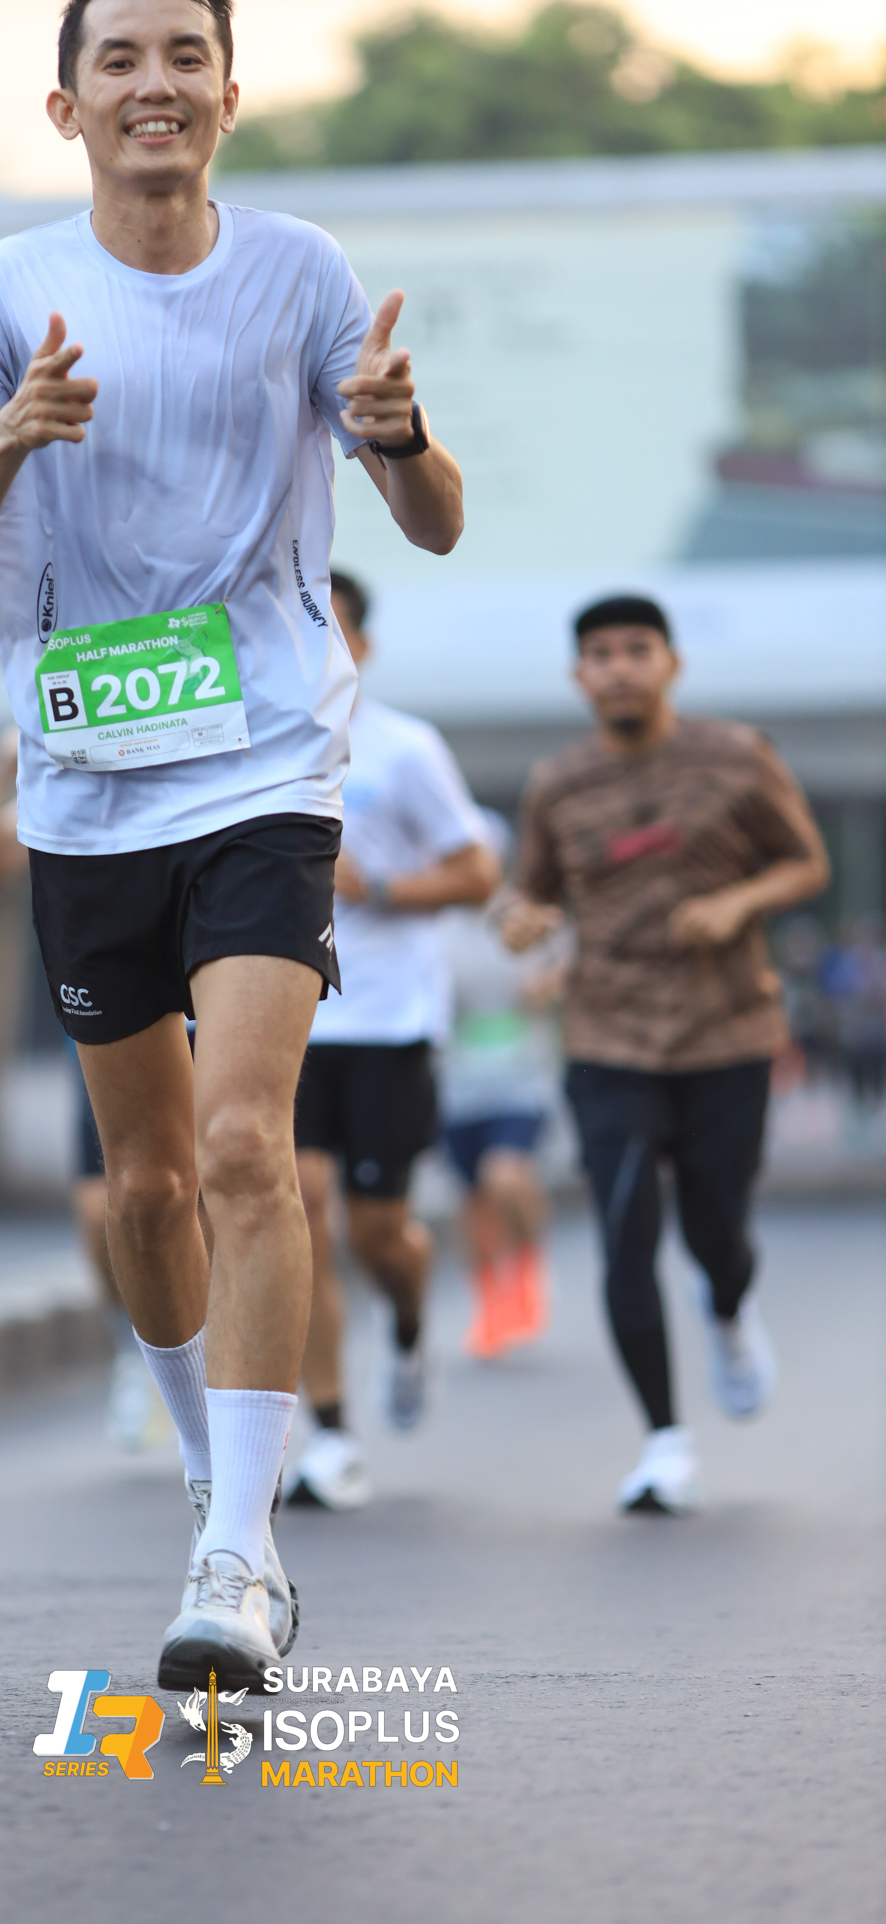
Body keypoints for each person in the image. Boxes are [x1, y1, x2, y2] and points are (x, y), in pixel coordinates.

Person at [0, 0, 465, 1689]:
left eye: (185, 55)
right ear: (66, 105)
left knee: (241, 1142)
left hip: (268, 761)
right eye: (122, 59)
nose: (157, 83)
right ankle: (220, 1490)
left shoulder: (300, 270)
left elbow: (433, 523)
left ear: (230, 92)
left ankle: (234, 1554)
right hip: (88, 780)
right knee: (145, 1188)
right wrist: (11, 436)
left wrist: (399, 434)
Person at [499, 593, 829, 1515]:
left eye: (637, 649)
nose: (619, 668)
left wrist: (736, 903)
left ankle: (727, 1306)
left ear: (671, 664)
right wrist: (520, 921)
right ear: (578, 676)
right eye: (600, 654)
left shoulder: (737, 755)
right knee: (625, 1230)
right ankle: (664, 1443)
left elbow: (807, 862)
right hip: (608, 1035)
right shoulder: (557, 783)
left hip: (727, 1029)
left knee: (717, 1227)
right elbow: (530, 895)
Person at [286, 572, 497, 1510]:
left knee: (380, 1233)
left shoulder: (406, 750)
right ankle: (331, 1430)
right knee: (297, 1213)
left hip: (386, 1022)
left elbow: (477, 873)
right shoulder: (238, 742)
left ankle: (409, 1325)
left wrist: (380, 891)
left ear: (362, 647)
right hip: (283, 1020)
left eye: (324, 624)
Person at [0, 726, 167, 1451]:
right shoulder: (67, 779)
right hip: (108, 1013)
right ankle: (133, 1345)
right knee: (98, 1208)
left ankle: (216, 1372)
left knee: (202, 1196)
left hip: (202, 1010)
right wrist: (0, 773)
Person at [438, 811, 564, 1361]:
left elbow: (573, 961)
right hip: (458, 1084)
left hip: (521, 1078)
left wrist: (549, 985)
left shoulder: (526, 918)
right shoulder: (437, 926)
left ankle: (529, 1267)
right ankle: (491, 1307)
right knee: (472, 1202)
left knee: (505, 1176)